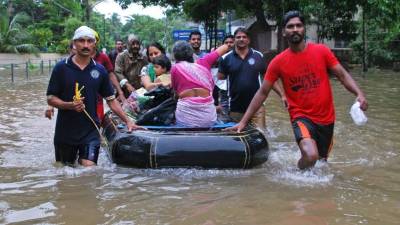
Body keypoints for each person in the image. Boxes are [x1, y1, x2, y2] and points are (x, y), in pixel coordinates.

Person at [227, 11, 368, 170]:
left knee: (321, 163)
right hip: (301, 116)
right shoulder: (278, 62)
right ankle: (297, 173)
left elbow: (342, 75)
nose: (295, 29)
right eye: (290, 26)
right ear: (284, 31)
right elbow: (262, 92)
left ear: (304, 29)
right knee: (310, 155)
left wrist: (359, 94)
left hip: (327, 118)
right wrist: (243, 122)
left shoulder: (322, 51)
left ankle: (305, 186)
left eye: (298, 25)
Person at [46, 26, 142, 167]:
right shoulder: (61, 68)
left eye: (89, 41)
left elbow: (111, 101)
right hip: (65, 131)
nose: (85, 45)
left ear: (94, 44)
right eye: (81, 41)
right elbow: (50, 98)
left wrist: (128, 121)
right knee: (64, 171)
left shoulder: (100, 70)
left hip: (90, 131)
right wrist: (69, 105)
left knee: (89, 170)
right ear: (74, 43)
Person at [218, 27, 285, 130]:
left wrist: (282, 95)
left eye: (244, 37)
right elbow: (220, 78)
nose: (241, 39)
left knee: (261, 134)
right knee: (238, 138)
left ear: (248, 40)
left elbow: (270, 78)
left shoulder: (258, 56)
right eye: (238, 37)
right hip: (235, 108)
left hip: (257, 107)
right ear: (234, 40)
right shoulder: (226, 58)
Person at [171, 41, 230, 127]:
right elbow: (225, 47)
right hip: (207, 117)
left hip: (185, 117)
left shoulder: (175, 68)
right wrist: (221, 46)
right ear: (191, 53)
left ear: (175, 55)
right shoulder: (204, 62)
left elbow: (176, 92)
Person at [212, 34, 235, 115]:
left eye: (231, 42)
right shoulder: (217, 59)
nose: (229, 44)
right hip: (221, 90)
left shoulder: (241, 58)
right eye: (226, 42)